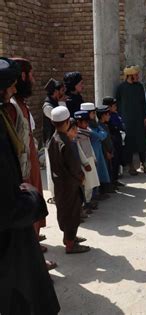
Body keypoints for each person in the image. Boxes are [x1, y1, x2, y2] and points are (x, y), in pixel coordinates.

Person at [0, 56, 60, 315]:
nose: (14, 89)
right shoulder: (7, 112)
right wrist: (29, 197)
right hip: (10, 215)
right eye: (10, 85)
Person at [47, 106, 90, 254]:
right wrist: (81, 177)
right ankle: (71, 245)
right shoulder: (66, 143)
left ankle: (69, 238)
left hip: (60, 184)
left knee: (65, 211)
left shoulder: (53, 139)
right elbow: (73, 166)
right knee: (72, 213)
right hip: (71, 184)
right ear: (66, 122)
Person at [116, 65, 146, 175]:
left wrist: (145, 117)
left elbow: (143, 103)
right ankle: (130, 166)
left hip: (139, 119)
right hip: (127, 120)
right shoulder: (121, 88)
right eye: (135, 75)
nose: (137, 76)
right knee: (129, 143)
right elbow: (118, 104)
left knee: (142, 142)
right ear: (129, 76)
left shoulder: (139, 87)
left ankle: (143, 164)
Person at [75, 110, 100, 213]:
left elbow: (90, 146)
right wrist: (85, 163)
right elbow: (79, 151)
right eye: (84, 122)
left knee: (91, 184)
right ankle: (84, 204)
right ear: (79, 123)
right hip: (84, 163)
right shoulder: (77, 135)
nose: (86, 124)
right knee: (86, 185)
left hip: (90, 159)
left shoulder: (86, 133)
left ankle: (88, 202)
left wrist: (94, 158)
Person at [104, 97, 125, 188]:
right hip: (112, 141)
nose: (116, 107)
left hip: (118, 139)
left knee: (117, 160)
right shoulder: (107, 117)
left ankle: (115, 180)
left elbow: (121, 125)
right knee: (113, 162)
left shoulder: (115, 114)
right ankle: (111, 182)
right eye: (114, 105)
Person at [42, 78, 66, 146]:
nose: (63, 93)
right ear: (56, 92)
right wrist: (62, 102)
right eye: (62, 91)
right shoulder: (48, 107)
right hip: (51, 143)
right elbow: (62, 119)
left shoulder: (56, 103)